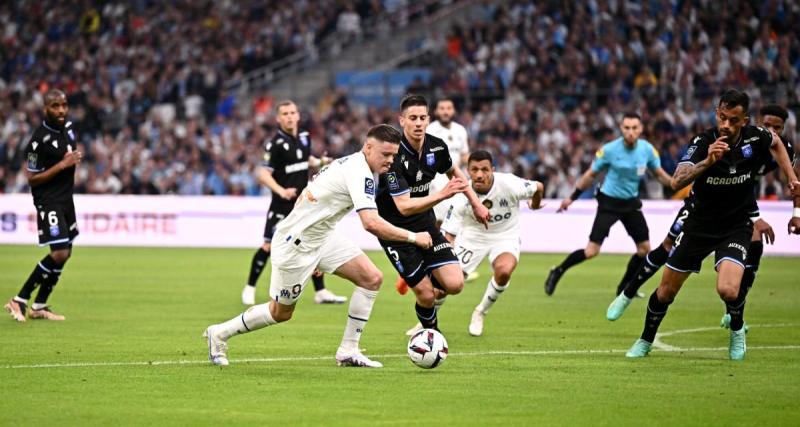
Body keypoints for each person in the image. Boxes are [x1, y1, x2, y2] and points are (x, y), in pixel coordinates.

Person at [204, 124, 433, 367]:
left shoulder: (349, 163)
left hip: (321, 237)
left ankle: (348, 350)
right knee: (280, 313)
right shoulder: (358, 172)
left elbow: (311, 195)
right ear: (368, 147)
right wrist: (413, 237)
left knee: (371, 278)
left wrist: (320, 251)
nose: (390, 160)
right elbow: (371, 223)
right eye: (385, 154)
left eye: (394, 155)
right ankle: (219, 333)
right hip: (296, 246)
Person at [624, 90, 799, 361]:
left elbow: (776, 144)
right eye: (722, 117)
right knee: (665, 292)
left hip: (736, 225)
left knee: (728, 289)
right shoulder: (703, 141)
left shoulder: (756, 136)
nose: (726, 125)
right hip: (699, 225)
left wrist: (791, 177)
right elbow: (676, 181)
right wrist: (707, 161)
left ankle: (737, 329)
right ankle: (645, 340)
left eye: (733, 120)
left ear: (744, 120)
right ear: (717, 114)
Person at [376, 94, 489, 335]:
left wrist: (476, 203)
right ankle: (432, 335)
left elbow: (455, 172)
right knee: (426, 296)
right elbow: (404, 206)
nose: (418, 123)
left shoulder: (436, 146)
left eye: (422, 118)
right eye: (412, 118)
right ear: (402, 121)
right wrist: (442, 195)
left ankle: (419, 273)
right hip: (396, 230)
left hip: (425, 224)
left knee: (455, 284)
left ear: (428, 120)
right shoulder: (393, 156)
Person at [544, 113, 673, 296]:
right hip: (609, 203)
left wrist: (677, 182)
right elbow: (590, 175)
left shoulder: (647, 150)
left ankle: (624, 289)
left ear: (641, 129)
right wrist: (572, 197)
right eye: (626, 128)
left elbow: (659, 174)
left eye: (634, 128)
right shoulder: (609, 150)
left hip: (630, 204)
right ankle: (558, 270)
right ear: (621, 129)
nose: (630, 132)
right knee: (591, 251)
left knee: (644, 250)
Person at [241, 100, 346, 306]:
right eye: (285, 113)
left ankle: (321, 292)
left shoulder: (305, 138)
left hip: (303, 204)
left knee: (313, 242)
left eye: (292, 112)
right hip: (281, 205)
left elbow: (305, 161)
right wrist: (282, 191)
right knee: (268, 245)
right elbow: (263, 174)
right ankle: (249, 288)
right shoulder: (275, 144)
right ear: (279, 118)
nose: (289, 116)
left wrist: (321, 162)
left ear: (298, 115)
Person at [439, 150, 544, 336]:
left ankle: (480, 312)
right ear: (468, 171)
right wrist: (443, 260)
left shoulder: (509, 184)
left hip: (505, 235)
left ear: (493, 170)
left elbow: (538, 187)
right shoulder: (460, 196)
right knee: (445, 286)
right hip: (472, 238)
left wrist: (535, 204)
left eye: (485, 169)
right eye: (474, 170)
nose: (480, 174)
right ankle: (427, 322)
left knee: (504, 271)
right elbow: (449, 236)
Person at [4, 89, 83, 322]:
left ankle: (39, 306)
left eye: (64, 105)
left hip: (66, 199)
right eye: (55, 106)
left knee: (65, 253)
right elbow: (32, 178)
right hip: (49, 201)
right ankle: (19, 300)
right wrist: (62, 165)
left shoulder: (68, 128)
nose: (61, 110)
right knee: (58, 252)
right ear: (45, 109)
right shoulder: (37, 142)